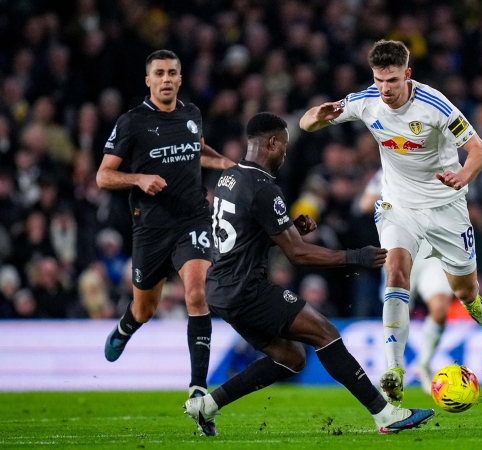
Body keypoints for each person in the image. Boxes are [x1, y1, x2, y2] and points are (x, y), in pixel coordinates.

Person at [184, 112, 434, 436]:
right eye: (284, 145)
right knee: (325, 333)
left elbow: (244, 235)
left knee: (291, 357)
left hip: (220, 289)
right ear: (272, 143)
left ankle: (207, 405)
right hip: (246, 289)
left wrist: (287, 229)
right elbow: (298, 254)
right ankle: (385, 414)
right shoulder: (264, 187)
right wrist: (356, 256)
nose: (285, 153)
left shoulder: (230, 177)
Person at [299, 39, 482, 404]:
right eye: (378, 80)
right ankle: (394, 369)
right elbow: (307, 123)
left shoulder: (435, 105)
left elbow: (480, 151)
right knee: (396, 271)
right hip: (399, 204)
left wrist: (462, 176)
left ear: (407, 74)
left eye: (391, 80)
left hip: (446, 206)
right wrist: (316, 116)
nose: (384, 88)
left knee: (464, 290)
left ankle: (472, 299)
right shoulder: (366, 100)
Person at [96, 50, 234, 399]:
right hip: (152, 227)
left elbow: (198, 150)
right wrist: (139, 178)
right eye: (159, 73)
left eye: (172, 72)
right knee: (145, 310)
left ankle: (198, 388)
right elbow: (103, 176)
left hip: (193, 219)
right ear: (149, 80)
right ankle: (126, 327)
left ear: (180, 79)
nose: (166, 79)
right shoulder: (132, 122)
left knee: (197, 293)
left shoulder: (192, 114)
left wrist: (229, 165)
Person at [359, 169, 454, 394]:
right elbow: (365, 204)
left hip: (432, 251)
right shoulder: (388, 170)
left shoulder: (443, 167)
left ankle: (424, 363)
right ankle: (392, 369)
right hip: (400, 247)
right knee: (397, 311)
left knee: (440, 309)